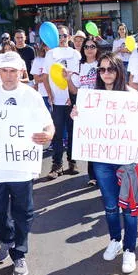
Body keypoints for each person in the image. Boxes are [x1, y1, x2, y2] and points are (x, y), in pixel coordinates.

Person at [71, 52, 138, 273]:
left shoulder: (132, 95)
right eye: (102, 69)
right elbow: (85, 122)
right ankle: (115, 240)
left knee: (129, 208)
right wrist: (76, 114)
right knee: (110, 206)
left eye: (111, 69)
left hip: (127, 161)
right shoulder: (91, 96)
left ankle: (129, 249)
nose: (106, 73)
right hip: (102, 161)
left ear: (119, 71)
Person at [0, 51, 54, 275]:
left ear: (21, 72)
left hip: (21, 168)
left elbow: (48, 125)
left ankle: (19, 254)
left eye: (13, 71)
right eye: (5, 71)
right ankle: (6, 238)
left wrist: (48, 135)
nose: (9, 76)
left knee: (23, 213)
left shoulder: (30, 96)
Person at [42, 25, 82, 179]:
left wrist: (73, 97)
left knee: (73, 133)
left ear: (69, 37)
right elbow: (45, 76)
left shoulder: (76, 54)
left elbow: (78, 76)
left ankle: (72, 162)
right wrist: (50, 95)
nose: (62, 38)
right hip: (57, 101)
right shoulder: (50, 54)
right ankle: (56, 165)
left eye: (64, 35)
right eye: (59, 36)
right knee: (57, 134)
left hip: (72, 100)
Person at [66, 37, 100, 187]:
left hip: (102, 108)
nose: (89, 49)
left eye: (93, 46)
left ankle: (105, 173)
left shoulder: (102, 64)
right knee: (91, 143)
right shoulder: (80, 67)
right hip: (86, 110)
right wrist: (68, 79)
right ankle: (93, 175)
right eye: (86, 47)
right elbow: (75, 90)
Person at [30, 44, 51, 112]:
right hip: (43, 94)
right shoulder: (38, 60)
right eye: (48, 45)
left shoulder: (58, 59)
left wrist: (44, 76)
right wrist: (48, 75)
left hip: (58, 95)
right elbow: (37, 79)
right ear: (44, 46)